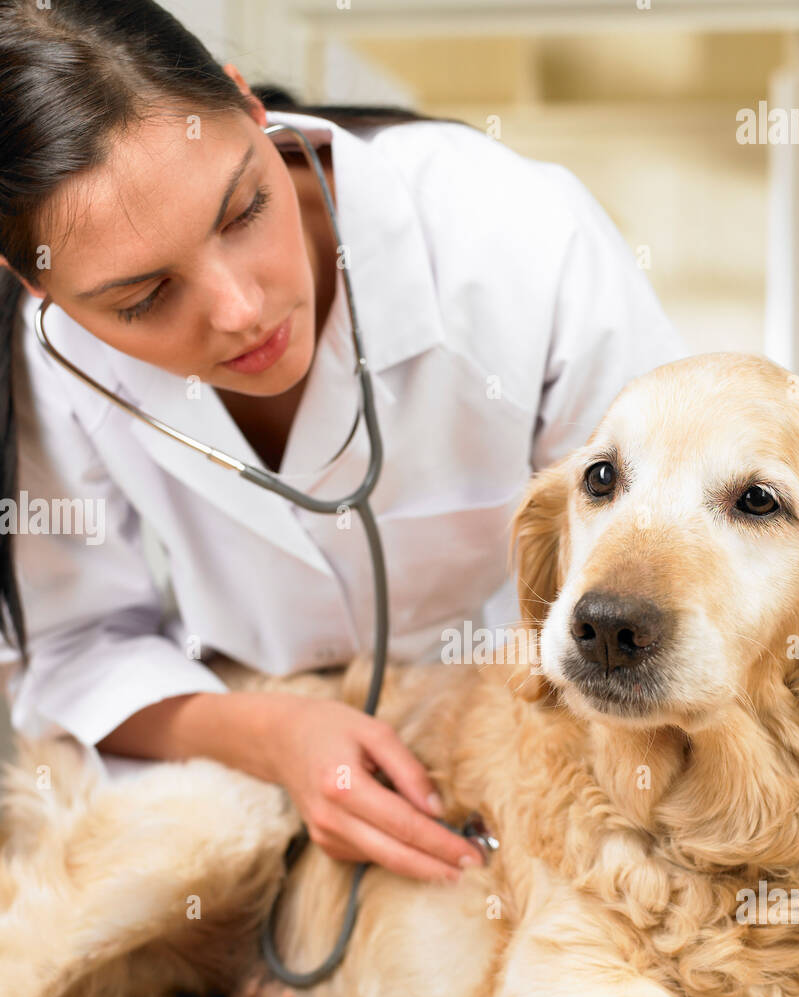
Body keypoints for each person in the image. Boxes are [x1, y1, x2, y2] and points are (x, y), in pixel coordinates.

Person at [0, 0, 692, 887]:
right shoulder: (52, 367)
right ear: (33, 284)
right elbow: (77, 649)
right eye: (142, 299)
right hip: (254, 765)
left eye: (245, 210)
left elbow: (678, 547)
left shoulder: (515, 240)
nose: (241, 310)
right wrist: (275, 736)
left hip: (536, 750)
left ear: (254, 110)